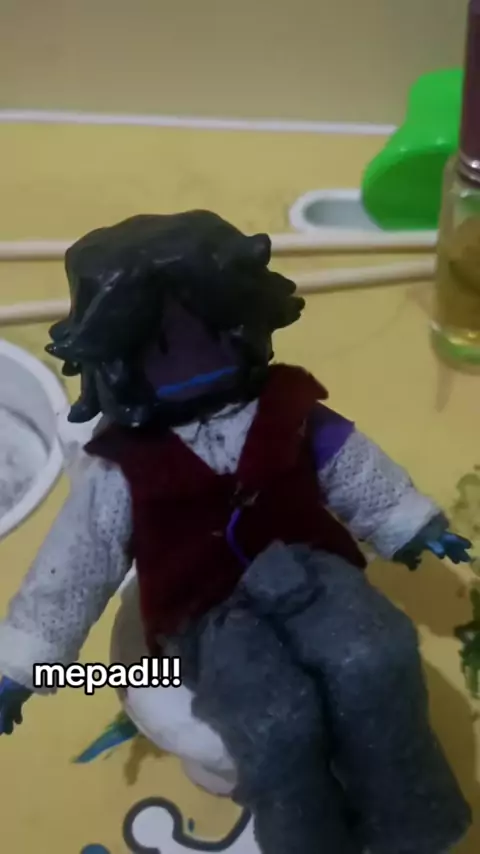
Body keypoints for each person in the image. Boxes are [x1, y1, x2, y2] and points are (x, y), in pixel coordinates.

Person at [0, 212, 472, 853]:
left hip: (313, 572)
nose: (193, 361)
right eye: (161, 349)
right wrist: (25, 665)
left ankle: (414, 821)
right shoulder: (123, 467)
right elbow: (76, 564)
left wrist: (408, 523)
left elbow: (353, 468)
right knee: (276, 718)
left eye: (214, 335)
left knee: (377, 657)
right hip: (208, 616)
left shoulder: (287, 409)